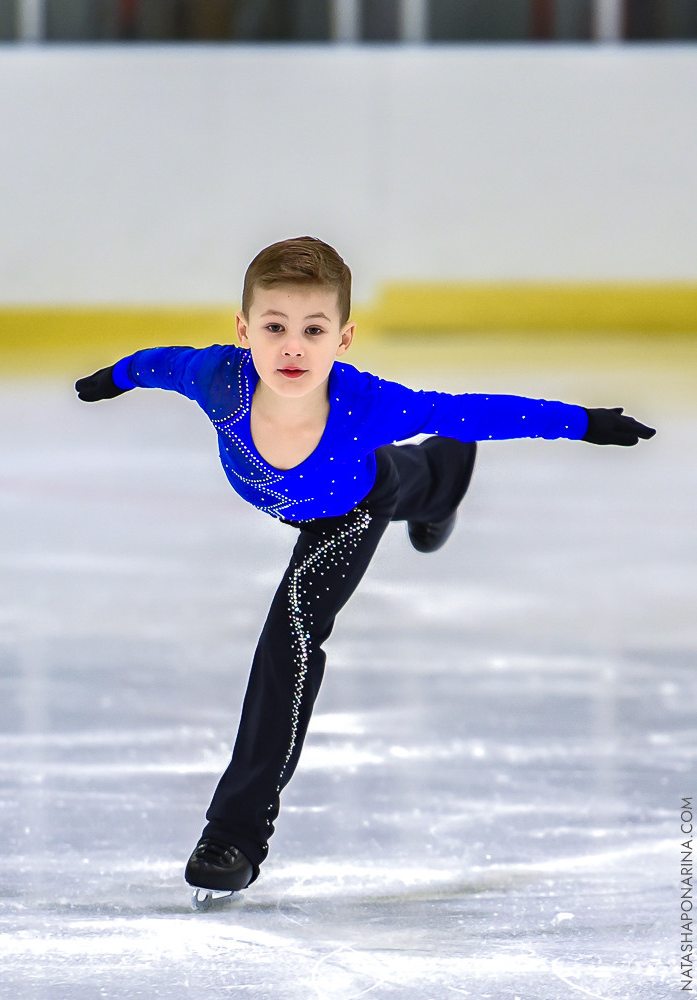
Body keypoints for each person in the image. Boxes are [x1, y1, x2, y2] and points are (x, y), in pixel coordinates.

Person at [75, 236, 656, 900]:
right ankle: (444, 477)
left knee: (292, 634)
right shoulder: (218, 379)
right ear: (243, 330)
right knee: (401, 476)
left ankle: (234, 833)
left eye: (313, 330)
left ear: (343, 339)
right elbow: (157, 364)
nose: (293, 348)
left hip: (346, 514)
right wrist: (110, 380)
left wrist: (582, 423)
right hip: (348, 480)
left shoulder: (366, 404)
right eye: (275, 327)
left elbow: (466, 410)